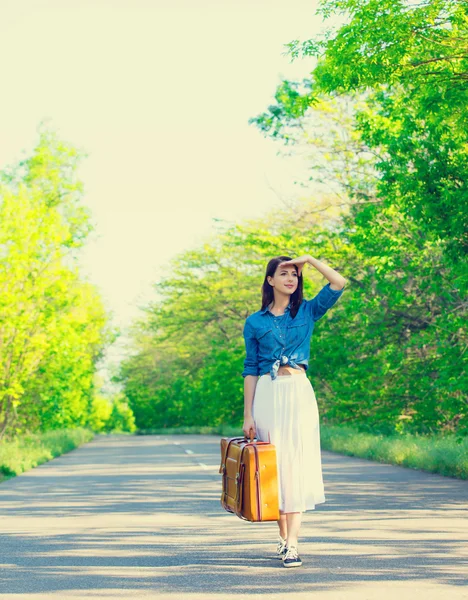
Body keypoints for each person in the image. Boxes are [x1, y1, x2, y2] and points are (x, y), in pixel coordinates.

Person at [241, 254, 346, 568]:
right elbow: (249, 368)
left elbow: (338, 283)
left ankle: (293, 544)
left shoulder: (308, 311)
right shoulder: (255, 322)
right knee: (274, 467)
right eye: (283, 273)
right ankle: (284, 538)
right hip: (267, 393)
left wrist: (310, 260)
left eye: (294, 274)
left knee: (295, 465)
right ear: (270, 280)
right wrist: (247, 413)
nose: (290, 279)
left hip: (298, 392)